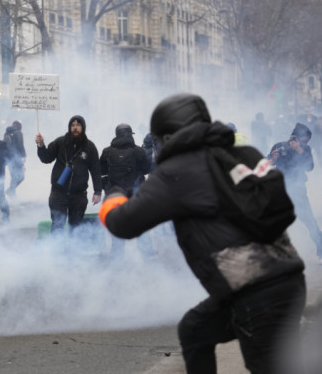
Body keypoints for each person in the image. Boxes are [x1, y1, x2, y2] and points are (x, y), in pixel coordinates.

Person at [99, 94, 306, 374]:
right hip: (289, 280)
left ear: (168, 135)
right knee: (195, 329)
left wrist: (114, 193)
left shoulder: (176, 171)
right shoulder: (238, 151)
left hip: (254, 293)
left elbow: (122, 224)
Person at [36, 115, 102, 234]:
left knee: (75, 227)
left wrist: (97, 191)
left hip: (79, 195)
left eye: (78, 125)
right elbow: (46, 158)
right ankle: (57, 251)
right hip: (58, 193)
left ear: (83, 127)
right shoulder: (60, 142)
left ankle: (72, 251)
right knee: (57, 226)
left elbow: (96, 170)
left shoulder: (90, 147)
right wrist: (41, 146)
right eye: (73, 125)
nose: (75, 128)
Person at [99, 123, 155, 260]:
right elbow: (147, 169)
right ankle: (149, 257)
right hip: (135, 195)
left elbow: (101, 171)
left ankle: (117, 259)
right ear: (130, 135)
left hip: (116, 196)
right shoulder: (137, 151)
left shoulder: (107, 151)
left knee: (118, 227)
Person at [269, 123, 322, 261]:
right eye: (303, 138)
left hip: (298, 189)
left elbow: (310, 167)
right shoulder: (279, 146)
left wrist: (299, 150)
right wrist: (273, 159)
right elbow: (264, 165)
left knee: (309, 221)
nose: (305, 142)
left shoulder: (305, 149)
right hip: (281, 189)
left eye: (306, 140)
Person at [4, 120, 26, 199]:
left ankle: (13, 197)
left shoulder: (7, 133)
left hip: (8, 158)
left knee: (13, 177)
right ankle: (11, 190)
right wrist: (24, 156)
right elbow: (20, 145)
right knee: (21, 176)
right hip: (16, 157)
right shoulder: (18, 133)